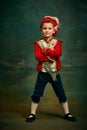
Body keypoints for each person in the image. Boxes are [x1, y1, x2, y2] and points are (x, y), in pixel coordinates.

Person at [25, 16, 76, 122]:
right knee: (37, 93)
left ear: (54, 30)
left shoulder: (58, 43)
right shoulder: (37, 43)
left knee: (61, 93)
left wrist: (46, 51)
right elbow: (38, 57)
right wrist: (49, 55)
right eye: (44, 28)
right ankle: (32, 114)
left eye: (49, 28)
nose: (47, 30)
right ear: (41, 30)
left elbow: (57, 54)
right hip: (42, 74)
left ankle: (67, 113)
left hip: (54, 73)